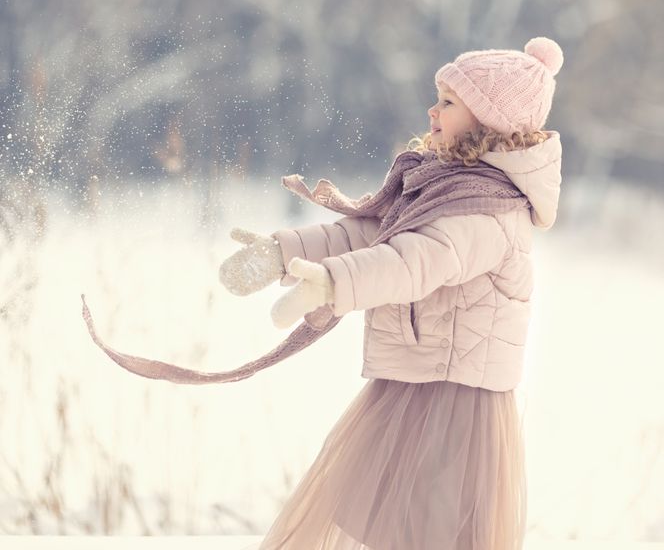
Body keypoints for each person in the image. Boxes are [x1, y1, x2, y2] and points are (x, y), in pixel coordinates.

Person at [81, 35, 563, 550]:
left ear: (489, 122)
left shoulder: (490, 210)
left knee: (432, 530)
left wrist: (335, 283)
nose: (432, 110)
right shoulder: (443, 184)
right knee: (389, 526)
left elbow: (414, 262)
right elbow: (369, 236)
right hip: (415, 382)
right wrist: (284, 253)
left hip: (457, 401)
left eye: (448, 102)